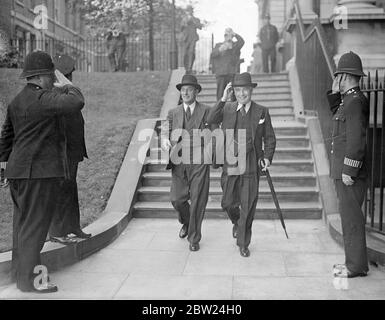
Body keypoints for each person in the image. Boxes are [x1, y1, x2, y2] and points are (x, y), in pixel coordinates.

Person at [0, 51, 85, 293]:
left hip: (17, 174)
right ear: (39, 77)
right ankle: (30, 282)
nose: (53, 80)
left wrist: (3, 166)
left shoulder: (17, 101)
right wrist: (68, 83)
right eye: (50, 75)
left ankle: (21, 274)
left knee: (22, 227)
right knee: (35, 228)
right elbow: (77, 101)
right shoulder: (45, 99)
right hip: (39, 175)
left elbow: (6, 136)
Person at [207, 72, 276, 257]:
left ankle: (243, 243)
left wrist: (267, 157)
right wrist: (222, 99)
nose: (241, 94)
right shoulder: (228, 108)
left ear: (251, 90)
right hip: (231, 162)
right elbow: (211, 120)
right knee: (228, 203)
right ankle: (237, 222)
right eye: (237, 90)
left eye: (245, 90)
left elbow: (269, 137)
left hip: (252, 164)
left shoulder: (261, 111)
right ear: (233, 91)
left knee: (248, 204)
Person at [327, 51, 369, 278]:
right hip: (344, 170)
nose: (337, 81)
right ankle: (356, 263)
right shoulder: (349, 100)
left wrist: (349, 170)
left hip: (349, 172)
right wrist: (335, 94)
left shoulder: (354, 101)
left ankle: (355, 267)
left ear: (344, 76)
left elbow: (356, 139)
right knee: (349, 217)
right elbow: (336, 114)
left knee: (351, 219)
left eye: (338, 77)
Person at [161, 74, 212, 252]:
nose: (186, 92)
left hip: (199, 161)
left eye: (189, 89)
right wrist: (165, 139)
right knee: (177, 199)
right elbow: (165, 129)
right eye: (183, 90)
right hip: (179, 161)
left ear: (196, 91)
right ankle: (187, 222)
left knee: (198, 200)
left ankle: (194, 238)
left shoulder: (206, 110)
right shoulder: (173, 112)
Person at [49, 54, 91, 244]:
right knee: (61, 189)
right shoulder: (58, 94)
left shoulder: (65, 92)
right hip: (61, 151)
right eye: (69, 74)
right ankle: (58, 231)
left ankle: (73, 226)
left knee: (70, 188)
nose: (71, 78)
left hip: (72, 150)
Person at [210, 28, 245, 101]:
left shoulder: (235, 45)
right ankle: (219, 109)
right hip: (221, 73)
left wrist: (234, 34)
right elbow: (212, 55)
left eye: (230, 35)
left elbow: (242, 41)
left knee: (233, 94)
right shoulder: (219, 45)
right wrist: (220, 50)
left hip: (231, 73)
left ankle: (233, 109)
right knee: (220, 94)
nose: (228, 37)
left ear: (232, 36)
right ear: (224, 36)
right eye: (226, 35)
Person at [181, 5, 203, 74]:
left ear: (192, 11)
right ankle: (186, 67)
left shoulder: (196, 19)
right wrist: (186, 21)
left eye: (190, 10)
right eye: (188, 10)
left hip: (193, 38)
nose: (189, 11)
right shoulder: (184, 19)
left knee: (191, 52)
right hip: (186, 38)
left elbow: (200, 27)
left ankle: (189, 68)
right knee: (185, 54)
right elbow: (181, 28)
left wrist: (193, 21)